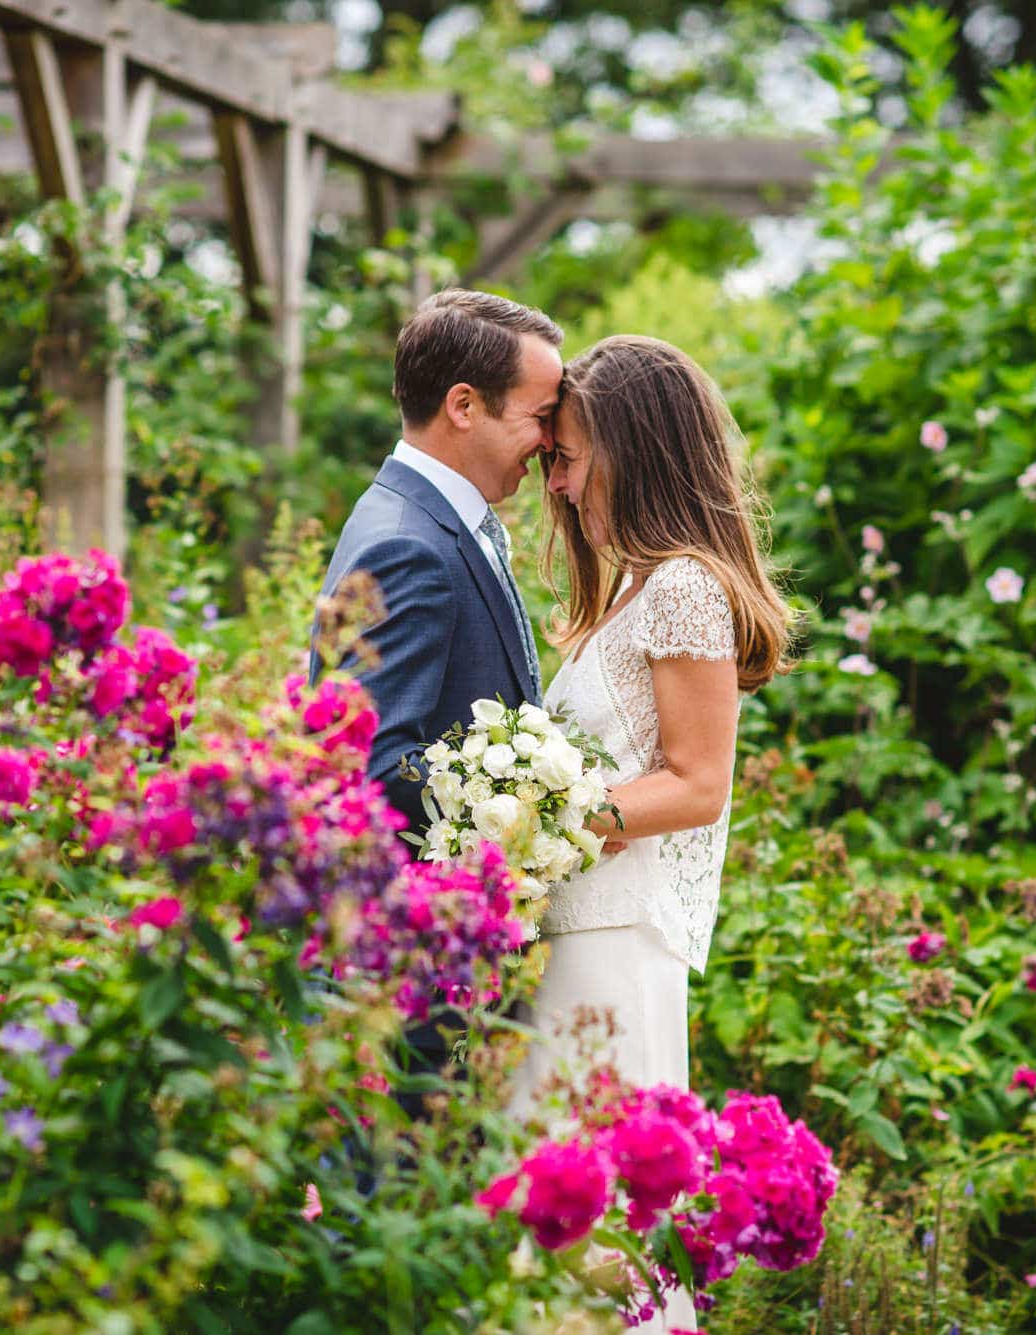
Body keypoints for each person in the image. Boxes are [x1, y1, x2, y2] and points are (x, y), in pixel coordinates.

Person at [526, 334, 794, 1331]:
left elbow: (694, 783)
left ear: (632, 450)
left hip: (610, 945)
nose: (553, 484)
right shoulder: (629, 592)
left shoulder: (680, 586)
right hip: (574, 938)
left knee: (594, 1214)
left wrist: (536, 822)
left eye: (568, 456)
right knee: (553, 1207)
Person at [309, 287, 564, 1115]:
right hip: (420, 971)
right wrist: (533, 810)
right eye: (539, 415)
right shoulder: (407, 544)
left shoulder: (426, 519)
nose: (549, 441)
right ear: (464, 405)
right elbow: (374, 762)